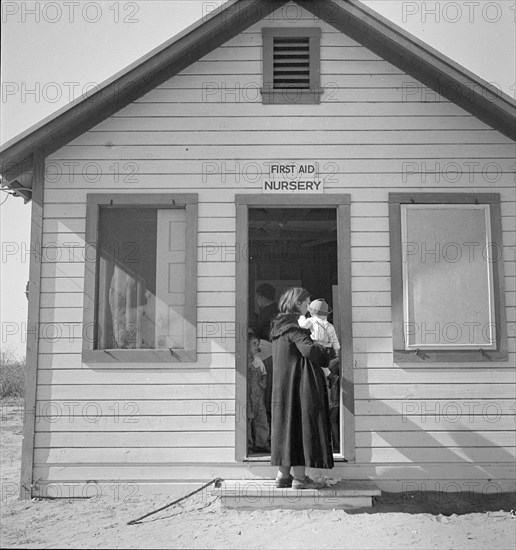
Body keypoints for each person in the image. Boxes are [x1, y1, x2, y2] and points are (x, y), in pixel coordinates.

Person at [269, 287, 333, 490]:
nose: (309, 306)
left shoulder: (278, 329)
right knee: (300, 428)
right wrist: (326, 349)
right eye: (307, 302)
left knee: (284, 428)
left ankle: (283, 475)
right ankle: (299, 478)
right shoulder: (294, 329)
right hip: (299, 386)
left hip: (282, 387)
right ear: (298, 304)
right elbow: (309, 351)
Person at [250, 283, 279, 433]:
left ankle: (267, 435)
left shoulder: (267, 313)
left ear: (260, 297)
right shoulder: (276, 311)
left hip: (267, 356)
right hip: (274, 356)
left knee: (264, 397)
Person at [246, 333, 270, 453]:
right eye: (254, 344)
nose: (257, 347)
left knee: (261, 420)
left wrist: (264, 381)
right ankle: (249, 445)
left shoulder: (258, 361)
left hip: (258, 396)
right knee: (248, 420)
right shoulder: (243, 362)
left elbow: (264, 374)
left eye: (258, 344)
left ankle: (262, 443)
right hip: (247, 396)